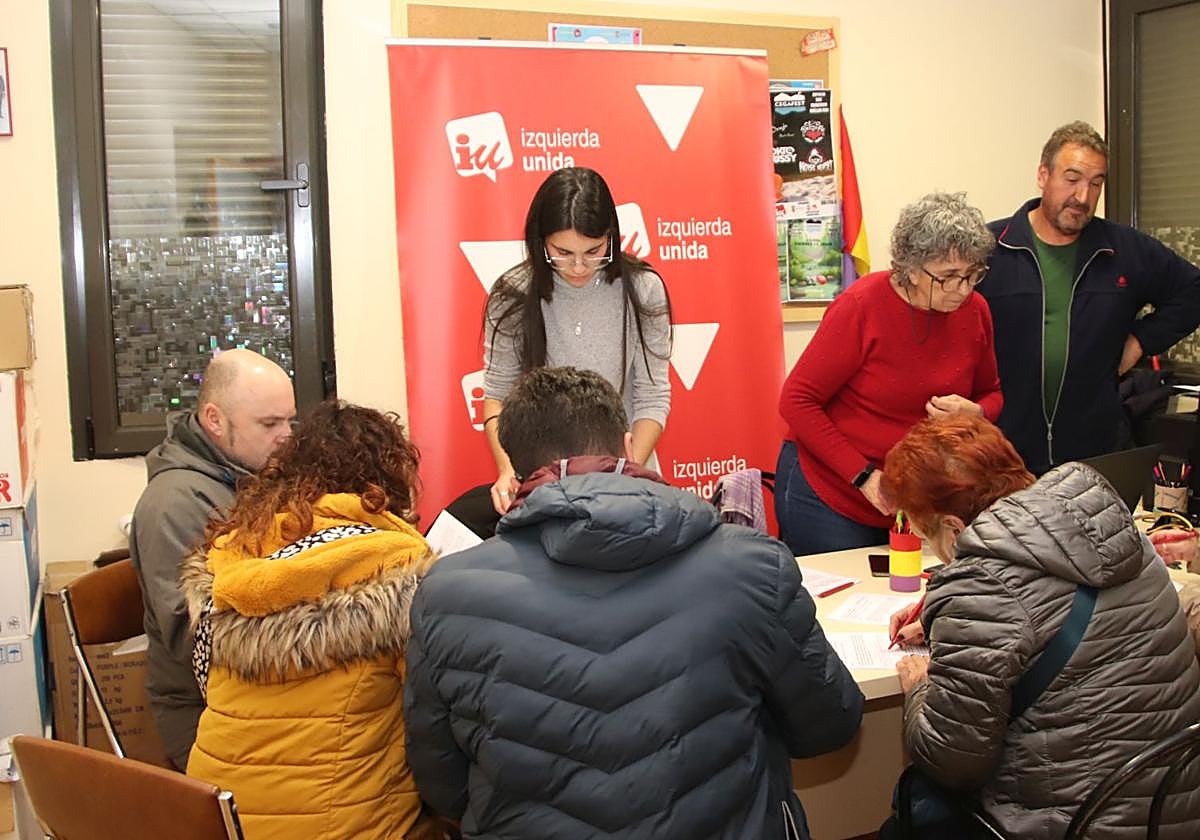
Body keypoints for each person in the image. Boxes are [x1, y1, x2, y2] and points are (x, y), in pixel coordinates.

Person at [404, 367, 864, 840]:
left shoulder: (445, 592)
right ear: (628, 447)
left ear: (516, 472)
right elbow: (828, 723)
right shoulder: (753, 565)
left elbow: (441, 781)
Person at [880, 414, 1200, 839]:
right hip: (1172, 808)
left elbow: (953, 761)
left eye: (926, 535)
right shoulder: (1117, 534)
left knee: (911, 805)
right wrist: (950, 613)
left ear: (953, 528)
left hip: (1075, 824)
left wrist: (920, 687)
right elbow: (1046, 604)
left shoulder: (982, 594)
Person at [182, 401, 441, 840]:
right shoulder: (397, 566)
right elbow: (431, 720)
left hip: (216, 823)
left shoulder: (236, 553)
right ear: (387, 483)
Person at [776, 191, 1003, 556]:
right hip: (832, 495)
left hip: (914, 498)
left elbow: (992, 392)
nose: (962, 290)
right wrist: (863, 476)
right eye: (947, 277)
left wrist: (977, 413)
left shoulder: (976, 311)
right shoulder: (861, 306)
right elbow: (797, 401)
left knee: (905, 589)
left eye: (971, 275)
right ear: (911, 269)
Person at [981, 120, 1200, 474]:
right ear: (1043, 175)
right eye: (1072, 179)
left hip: (1095, 453)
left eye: (1095, 183)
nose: (1083, 197)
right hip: (1003, 455)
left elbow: (1192, 290)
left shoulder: (1124, 249)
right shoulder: (991, 247)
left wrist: (1140, 342)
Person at [129, 348, 295, 770]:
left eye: (290, 421)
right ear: (215, 420)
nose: (286, 436)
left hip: (258, 688)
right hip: (205, 709)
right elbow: (196, 637)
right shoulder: (173, 505)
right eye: (269, 424)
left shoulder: (251, 474)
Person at [482, 166, 672, 516]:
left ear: (611, 237)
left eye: (594, 250)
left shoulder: (643, 289)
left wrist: (624, 472)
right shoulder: (513, 294)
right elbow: (497, 397)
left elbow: (652, 396)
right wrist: (508, 469)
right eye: (563, 253)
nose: (580, 267)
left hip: (626, 481)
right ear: (540, 241)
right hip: (542, 481)